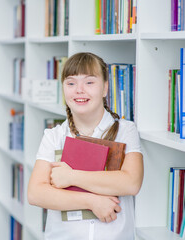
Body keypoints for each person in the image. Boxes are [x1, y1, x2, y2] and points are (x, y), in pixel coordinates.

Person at [27, 52, 144, 240]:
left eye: (89, 82)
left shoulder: (126, 130)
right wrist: (92, 201)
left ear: (105, 88)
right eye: (71, 83)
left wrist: (71, 176)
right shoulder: (54, 136)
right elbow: (36, 193)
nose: (79, 90)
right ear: (63, 89)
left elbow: (131, 183)